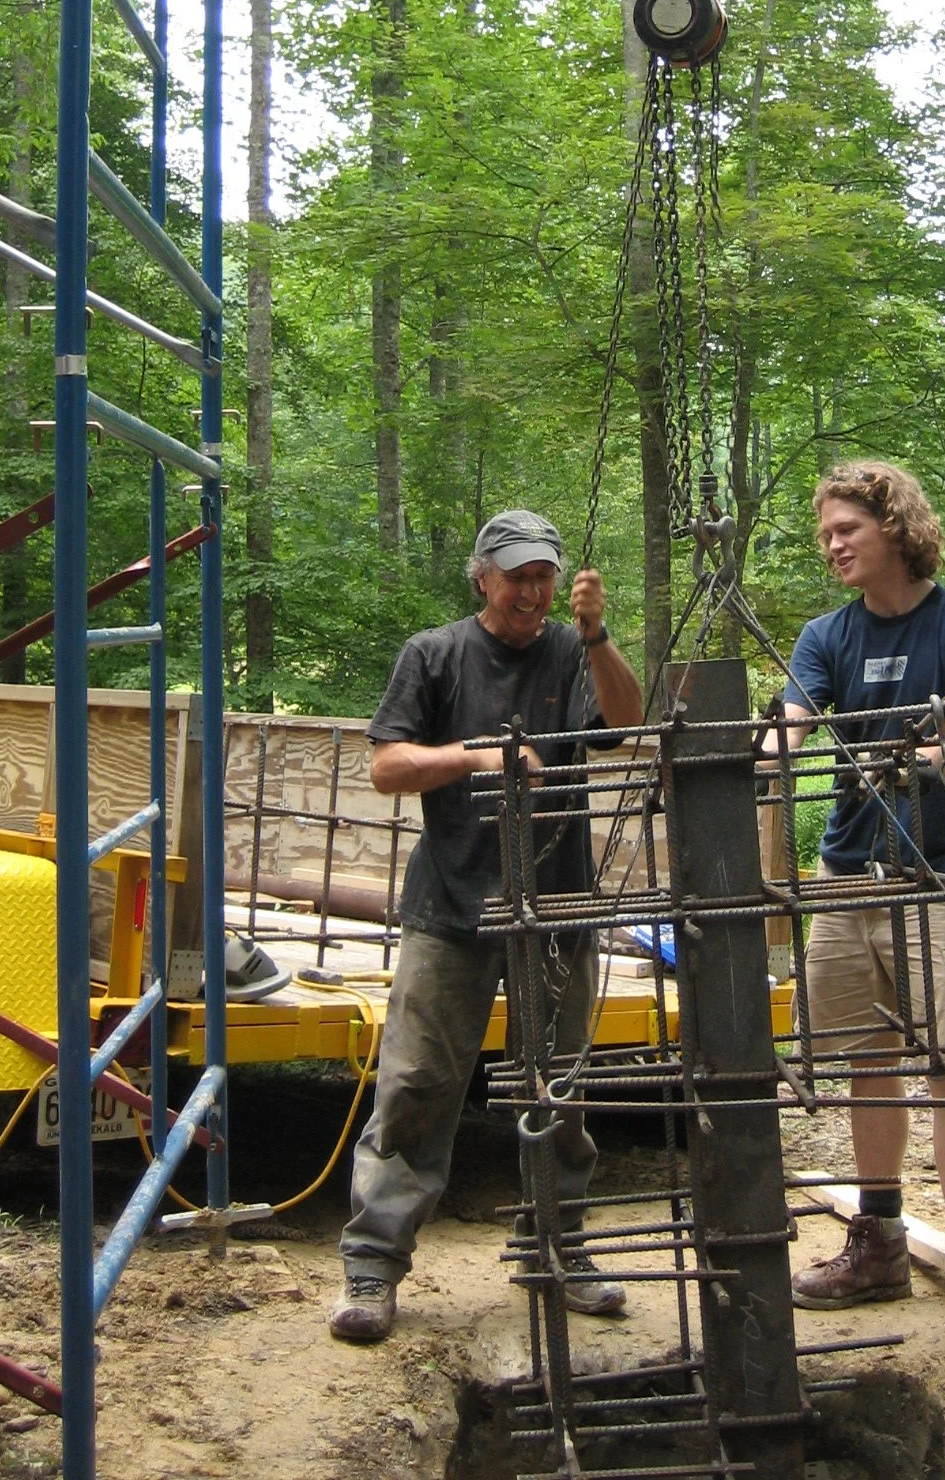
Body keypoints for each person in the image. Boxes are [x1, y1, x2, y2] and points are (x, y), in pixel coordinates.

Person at [330, 509, 645, 1343]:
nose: (532, 592)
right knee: (416, 1087)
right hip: (452, 910)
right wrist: (476, 756)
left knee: (560, 1089)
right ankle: (373, 1266)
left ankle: (558, 1246)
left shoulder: (575, 652)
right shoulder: (434, 655)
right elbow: (387, 764)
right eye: (517, 577)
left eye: (544, 576)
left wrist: (599, 633)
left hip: (558, 908)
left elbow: (623, 726)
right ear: (482, 577)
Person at [772, 461, 945, 1377]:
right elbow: (788, 728)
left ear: (895, 525)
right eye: (827, 532)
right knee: (864, 1061)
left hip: (936, 871)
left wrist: (926, 754)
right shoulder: (824, 636)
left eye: (848, 528)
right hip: (847, 877)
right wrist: (751, 751)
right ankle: (878, 1242)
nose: (833, 544)